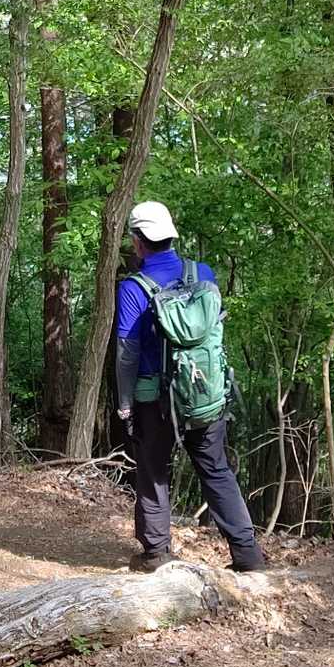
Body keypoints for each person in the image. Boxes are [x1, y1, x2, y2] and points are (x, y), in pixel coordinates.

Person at [115, 200, 268, 573]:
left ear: (137, 242)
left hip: (154, 399)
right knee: (216, 469)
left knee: (153, 472)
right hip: (204, 395)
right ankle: (248, 556)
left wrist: (125, 402)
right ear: (171, 236)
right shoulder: (203, 273)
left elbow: (126, 353)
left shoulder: (133, 288)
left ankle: (156, 555)